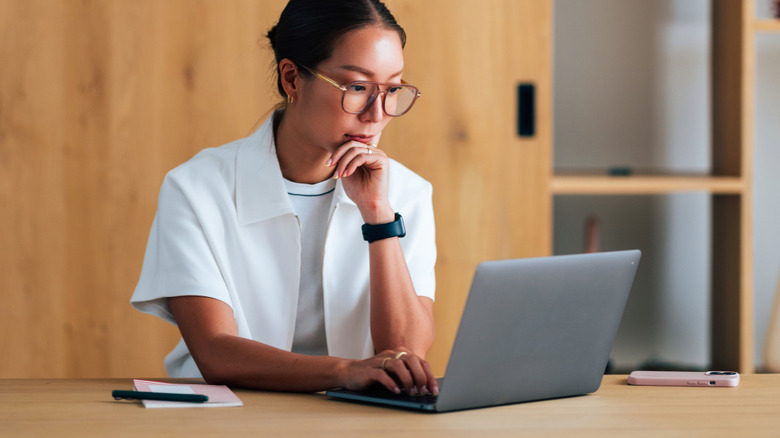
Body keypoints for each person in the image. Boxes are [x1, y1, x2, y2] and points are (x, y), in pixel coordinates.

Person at [131, 0, 438, 396]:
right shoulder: (196, 188)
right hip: (228, 416)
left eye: (392, 89)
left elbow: (406, 354)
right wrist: (346, 372)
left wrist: (379, 216)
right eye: (358, 87)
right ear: (292, 78)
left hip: (357, 421)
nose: (376, 114)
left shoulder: (406, 193)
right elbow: (214, 351)